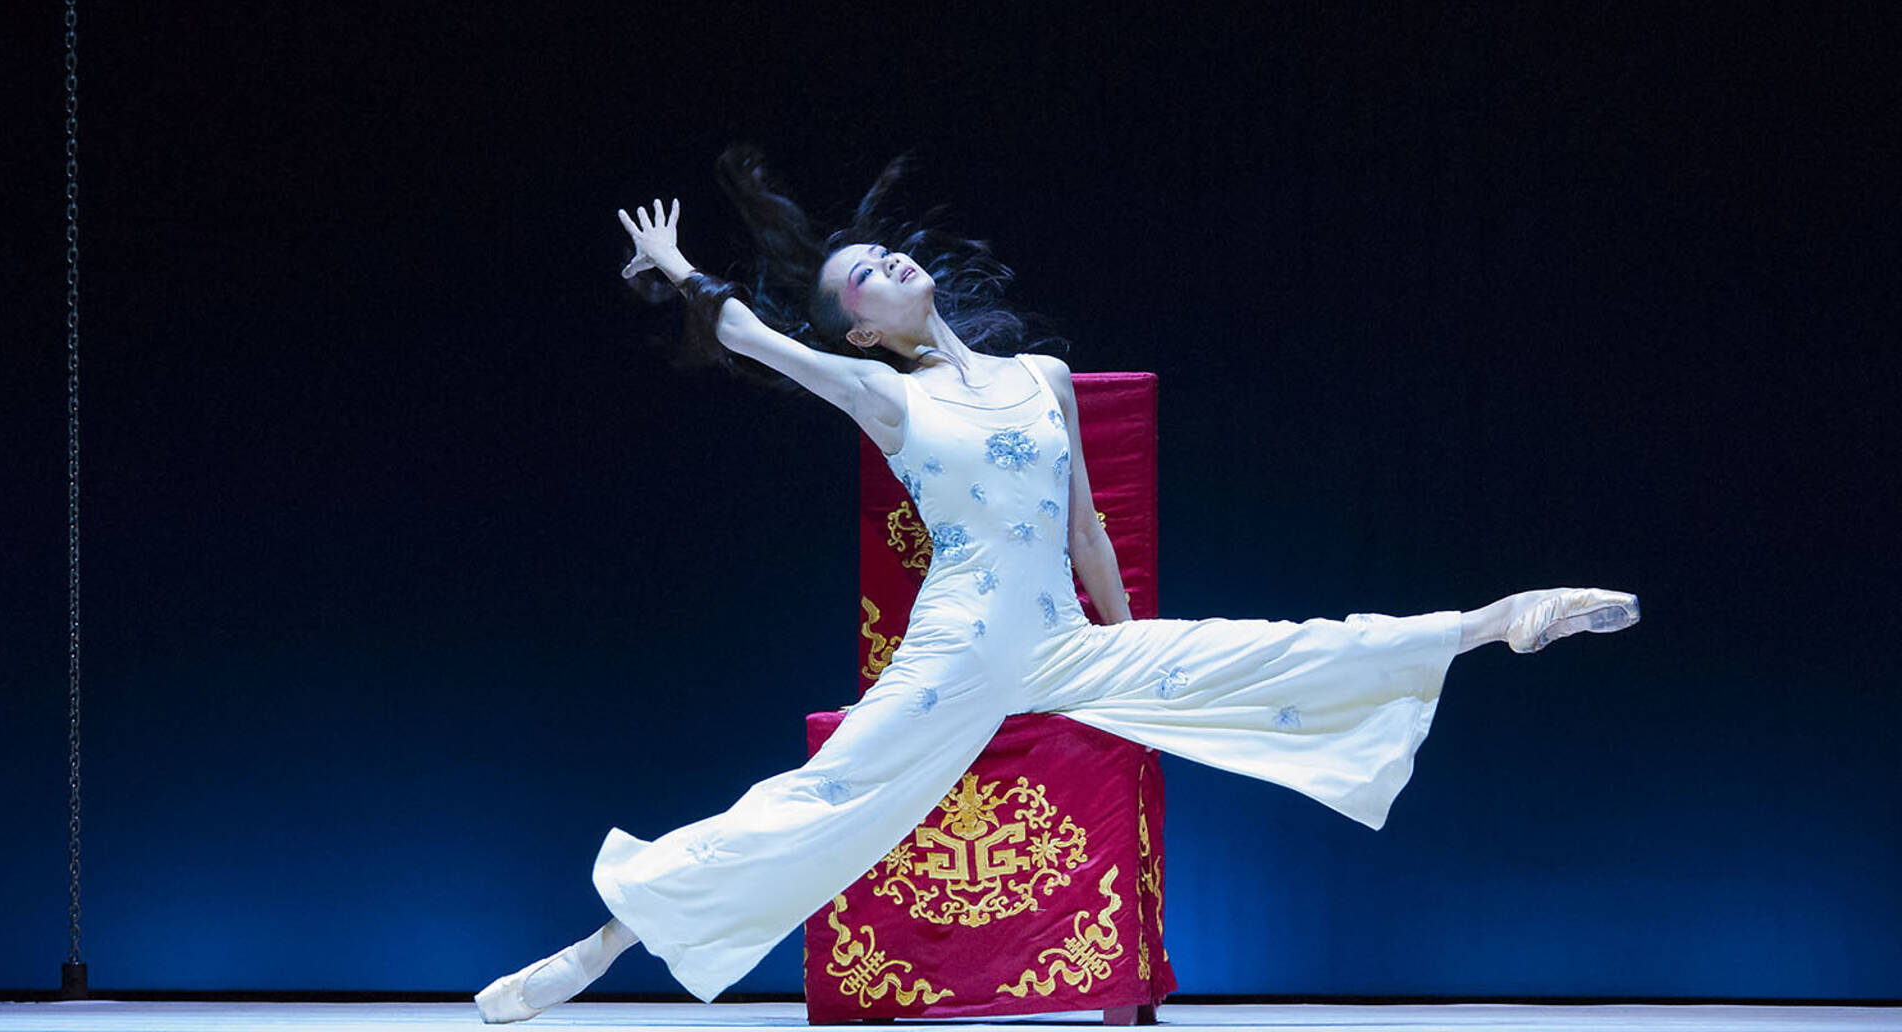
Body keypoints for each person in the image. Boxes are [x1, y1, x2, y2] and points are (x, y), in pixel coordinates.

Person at [472, 148, 1640, 1023]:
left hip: (1062, 639)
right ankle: (599, 946)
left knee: (1278, 645)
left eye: (882, 255)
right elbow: (757, 344)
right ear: (864, 334)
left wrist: (1140, 661)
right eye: (861, 280)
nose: (887, 267)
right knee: (829, 799)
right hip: (963, 644)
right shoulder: (890, 398)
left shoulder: (1042, 378)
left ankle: (1502, 620)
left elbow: (1084, 530)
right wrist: (681, 274)